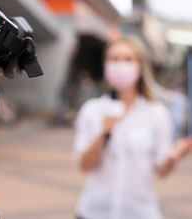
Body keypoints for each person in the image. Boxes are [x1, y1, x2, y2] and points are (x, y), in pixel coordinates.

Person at [73, 36, 192, 219]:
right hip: (94, 211)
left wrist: (174, 156)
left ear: (140, 66)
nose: (121, 65)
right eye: (114, 59)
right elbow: (85, 165)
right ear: (106, 65)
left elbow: (161, 170)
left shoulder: (156, 113)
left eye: (128, 59)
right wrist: (104, 133)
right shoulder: (92, 110)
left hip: (140, 212)